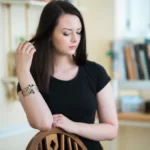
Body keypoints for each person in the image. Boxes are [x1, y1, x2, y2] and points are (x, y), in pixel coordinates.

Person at [16, 1, 118, 150]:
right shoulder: (30, 79)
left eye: (79, 31)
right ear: (49, 34)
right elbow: (43, 123)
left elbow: (111, 130)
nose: (75, 39)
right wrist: (23, 72)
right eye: (67, 33)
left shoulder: (96, 73)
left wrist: (73, 126)